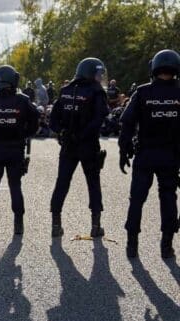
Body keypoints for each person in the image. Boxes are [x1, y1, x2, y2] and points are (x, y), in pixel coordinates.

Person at [119, 49, 180, 259]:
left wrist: (123, 150)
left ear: (153, 68)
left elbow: (127, 122)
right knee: (169, 198)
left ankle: (132, 245)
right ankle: (167, 246)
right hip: (171, 157)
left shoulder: (143, 92)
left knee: (137, 199)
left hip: (145, 155)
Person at [0, 65, 39, 235]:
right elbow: (35, 121)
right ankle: (19, 225)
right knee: (15, 187)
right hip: (16, 151)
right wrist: (24, 134)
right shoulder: (23, 100)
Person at [49, 58, 110, 237]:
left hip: (68, 144)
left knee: (62, 182)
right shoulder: (96, 91)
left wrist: (62, 132)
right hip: (88, 145)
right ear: (91, 73)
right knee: (93, 183)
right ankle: (95, 225)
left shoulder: (65, 90)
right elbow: (99, 119)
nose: (100, 78)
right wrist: (82, 135)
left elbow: (53, 120)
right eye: (98, 74)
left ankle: (55, 224)